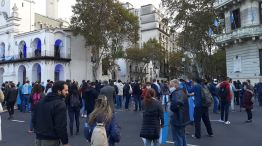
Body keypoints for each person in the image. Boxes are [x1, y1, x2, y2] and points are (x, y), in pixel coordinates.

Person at [33, 81, 69, 146]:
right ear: (59, 91)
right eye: (65, 90)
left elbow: (34, 118)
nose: (67, 92)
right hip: (51, 140)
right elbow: (60, 126)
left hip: (38, 138)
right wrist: (65, 142)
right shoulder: (60, 103)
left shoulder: (42, 101)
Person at [169, 79, 191, 146]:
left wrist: (171, 106)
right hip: (183, 118)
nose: (170, 87)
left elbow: (174, 106)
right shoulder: (182, 91)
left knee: (177, 138)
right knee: (182, 136)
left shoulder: (176, 93)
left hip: (178, 119)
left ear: (175, 85)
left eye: (171, 85)